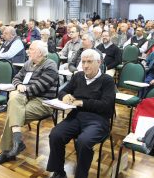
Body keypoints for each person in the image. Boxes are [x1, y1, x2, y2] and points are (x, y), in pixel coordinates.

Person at [46, 49, 115, 178]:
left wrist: (81, 102)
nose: (85, 65)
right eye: (83, 62)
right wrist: (65, 96)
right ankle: (59, 172)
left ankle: (81, 176)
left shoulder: (107, 80)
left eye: (89, 62)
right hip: (76, 117)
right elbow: (62, 91)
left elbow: (106, 105)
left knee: (83, 142)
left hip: (98, 120)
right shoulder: (78, 76)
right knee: (55, 134)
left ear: (99, 62)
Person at [0, 40, 58, 164]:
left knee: (13, 113)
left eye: (31, 49)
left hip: (43, 102)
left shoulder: (50, 65)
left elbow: (39, 88)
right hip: (24, 97)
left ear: (40, 52)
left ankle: (8, 151)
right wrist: (19, 85)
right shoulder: (29, 63)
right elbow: (16, 78)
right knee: (15, 96)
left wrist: (24, 89)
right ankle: (16, 144)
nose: (28, 51)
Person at [0, 26, 25, 113]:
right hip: (3, 69)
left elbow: (9, 54)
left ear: (12, 35)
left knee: (2, 78)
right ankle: (2, 96)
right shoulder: (5, 42)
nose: (3, 35)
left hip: (15, 69)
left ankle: (3, 102)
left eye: (5, 33)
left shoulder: (17, 42)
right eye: (3, 33)